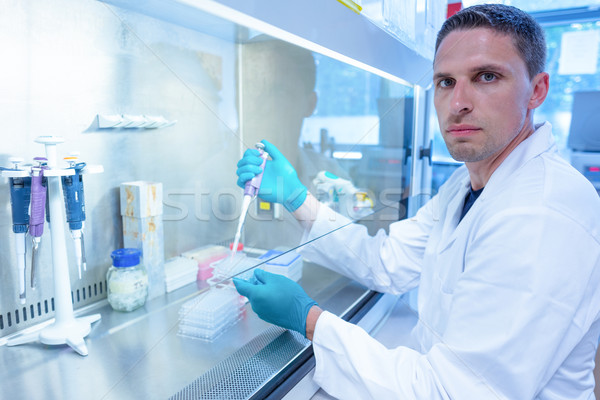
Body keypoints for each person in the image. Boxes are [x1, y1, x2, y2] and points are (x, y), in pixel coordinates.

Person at [234, 4, 600, 399]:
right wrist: (296, 197)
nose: (458, 102)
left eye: (487, 77)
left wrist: (309, 321)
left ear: (537, 90)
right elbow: (385, 262)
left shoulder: (543, 215)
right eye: (445, 82)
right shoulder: (468, 183)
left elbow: (453, 392)